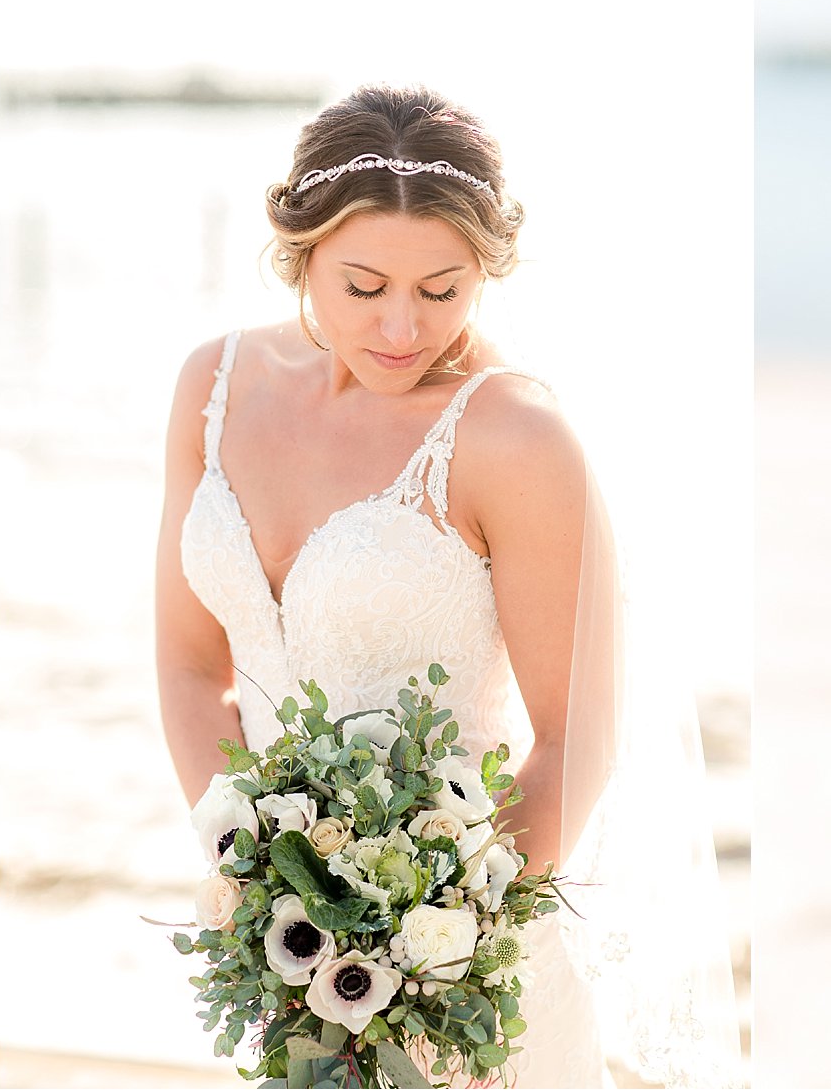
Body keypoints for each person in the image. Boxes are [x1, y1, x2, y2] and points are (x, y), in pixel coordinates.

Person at [156, 83, 738, 1088]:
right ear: (298, 255)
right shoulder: (212, 386)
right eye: (363, 284)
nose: (399, 326)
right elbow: (189, 660)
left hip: (466, 980)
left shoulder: (512, 437)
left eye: (441, 288)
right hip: (283, 957)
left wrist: (424, 954)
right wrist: (262, 884)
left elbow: (574, 739)